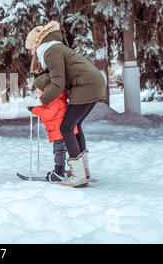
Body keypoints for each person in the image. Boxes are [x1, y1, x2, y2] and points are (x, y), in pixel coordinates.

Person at [25, 20, 106, 187]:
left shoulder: (50, 51)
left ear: (36, 44)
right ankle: (83, 171)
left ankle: (78, 176)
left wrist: (39, 101)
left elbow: (58, 83)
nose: (31, 53)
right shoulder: (55, 49)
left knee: (66, 127)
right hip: (93, 83)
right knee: (75, 126)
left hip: (86, 85)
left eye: (31, 49)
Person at [28, 72, 78, 183]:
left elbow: (49, 113)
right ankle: (60, 170)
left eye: (39, 90)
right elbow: (46, 108)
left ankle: (59, 172)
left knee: (59, 151)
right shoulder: (54, 98)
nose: (37, 92)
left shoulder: (56, 99)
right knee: (59, 151)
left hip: (60, 131)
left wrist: (34, 110)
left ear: (46, 89)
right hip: (58, 130)